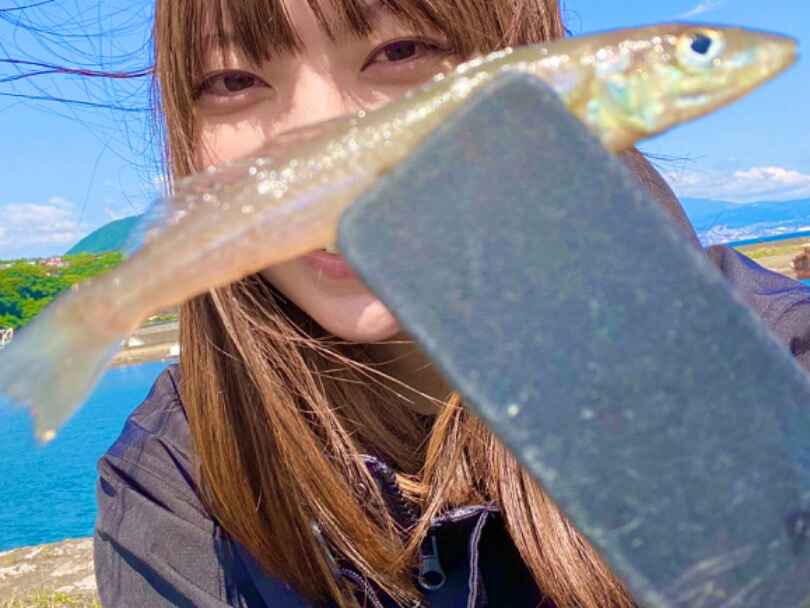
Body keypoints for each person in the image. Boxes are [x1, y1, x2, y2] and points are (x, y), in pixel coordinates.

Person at [92, 1, 810, 606]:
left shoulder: (782, 358)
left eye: (400, 50)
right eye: (233, 80)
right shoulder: (166, 484)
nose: (323, 131)